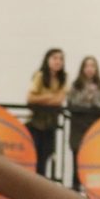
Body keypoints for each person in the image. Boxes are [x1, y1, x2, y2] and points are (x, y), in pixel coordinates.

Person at [68, 55, 100, 191]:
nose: (90, 69)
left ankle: (92, 189)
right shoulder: (76, 85)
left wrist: (94, 99)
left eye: (92, 66)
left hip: (94, 126)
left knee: (92, 158)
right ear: (82, 68)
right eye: (87, 66)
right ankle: (76, 187)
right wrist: (85, 95)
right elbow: (71, 103)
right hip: (78, 126)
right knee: (77, 157)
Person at [26, 48, 67, 177]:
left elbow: (59, 100)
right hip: (36, 123)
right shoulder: (39, 75)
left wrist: (43, 98)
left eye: (61, 59)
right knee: (34, 156)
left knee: (46, 155)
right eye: (55, 58)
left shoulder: (63, 78)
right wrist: (50, 97)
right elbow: (30, 98)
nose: (58, 61)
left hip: (51, 125)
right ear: (47, 60)